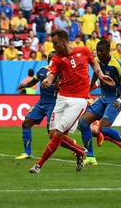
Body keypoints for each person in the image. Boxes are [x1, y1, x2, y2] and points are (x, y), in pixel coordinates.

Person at [29, 29, 115, 174]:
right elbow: (51, 74)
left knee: (58, 134)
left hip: (78, 101)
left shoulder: (84, 51)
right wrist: (47, 80)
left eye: (55, 43)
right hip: (62, 98)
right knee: (52, 134)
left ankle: (39, 165)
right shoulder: (56, 58)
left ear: (63, 41)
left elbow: (94, 63)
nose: (54, 46)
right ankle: (80, 152)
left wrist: (100, 75)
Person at [79, 39, 121, 166]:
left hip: (114, 100)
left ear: (108, 51)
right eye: (97, 50)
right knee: (83, 122)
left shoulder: (117, 65)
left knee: (104, 128)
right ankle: (91, 157)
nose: (98, 53)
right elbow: (95, 74)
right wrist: (87, 91)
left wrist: (119, 99)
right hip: (103, 97)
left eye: (101, 51)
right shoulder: (97, 61)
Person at [15, 52, 57, 160]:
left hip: (54, 104)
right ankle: (27, 153)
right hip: (42, 103)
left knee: (51, 132)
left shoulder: (61, 72)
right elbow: (34, 81)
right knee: (26, 123)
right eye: (49, 58)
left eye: (53, 58)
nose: (50, 60)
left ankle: (73, 144)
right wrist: (24, 85)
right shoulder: (42, 70)